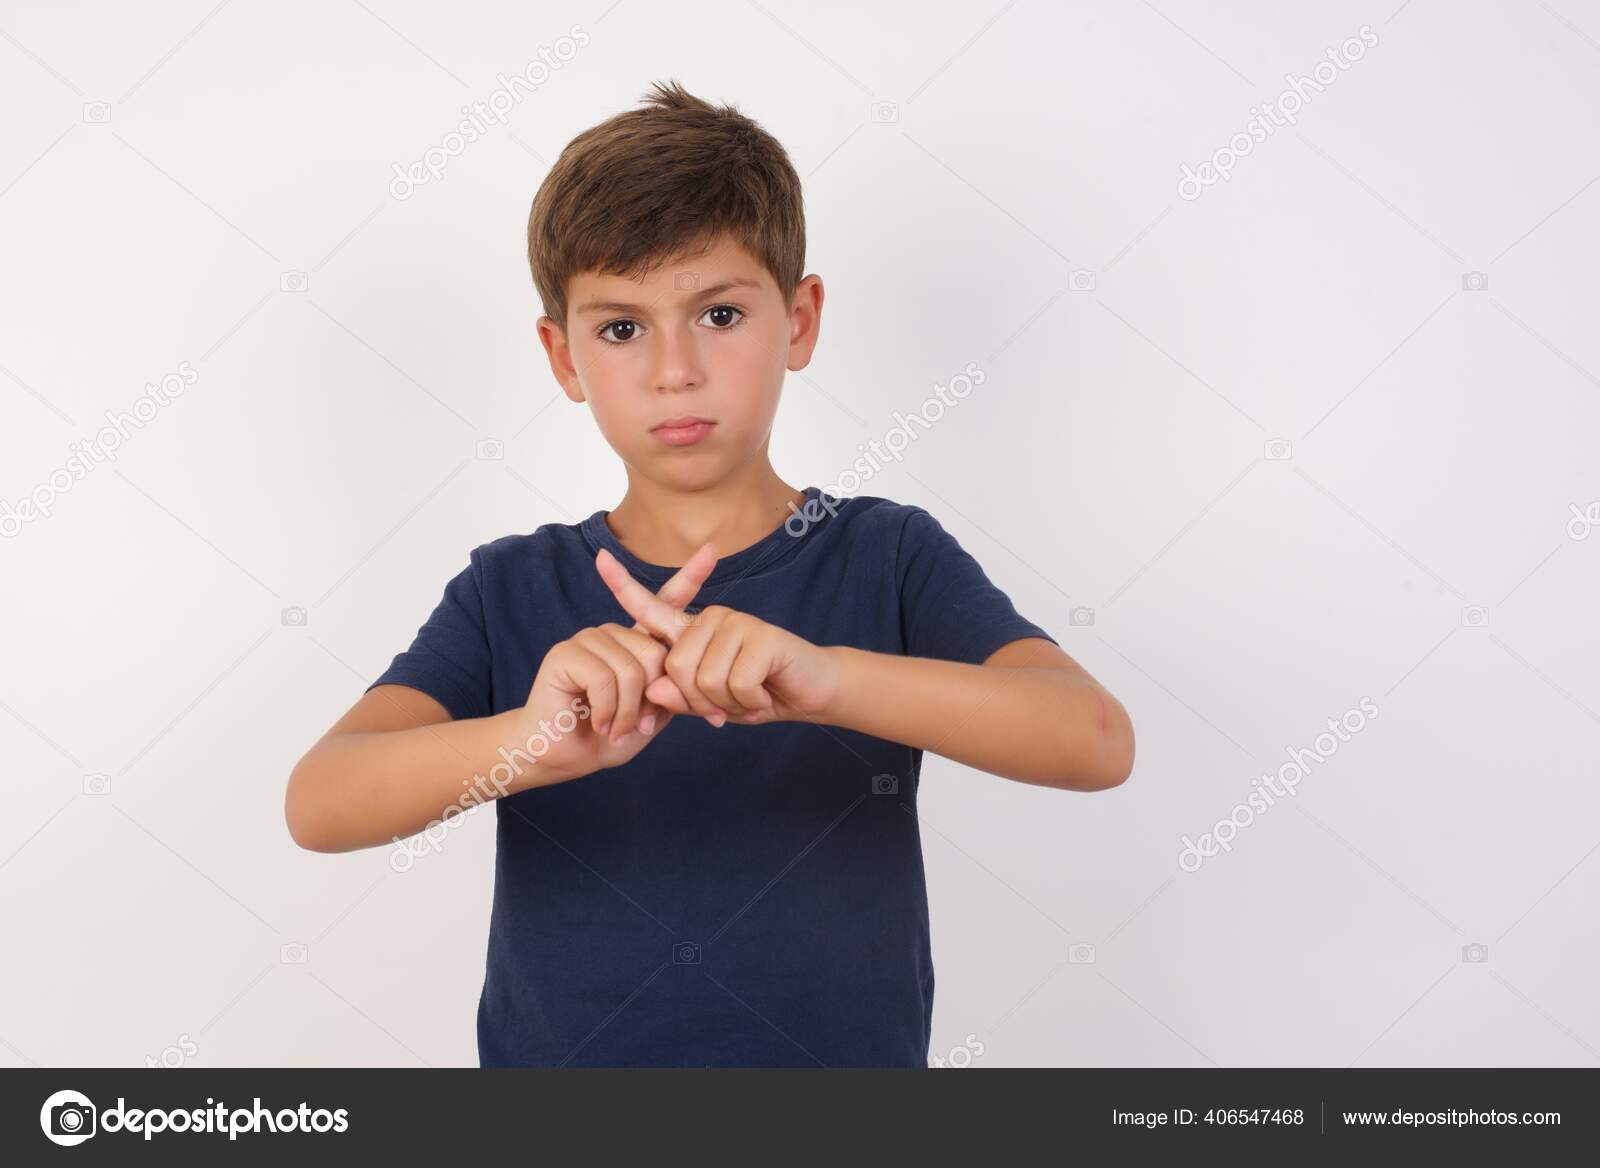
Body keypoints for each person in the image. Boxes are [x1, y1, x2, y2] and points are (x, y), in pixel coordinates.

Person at [285, 80, 1134, 1068]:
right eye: (620, 328)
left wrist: (830, 678)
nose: (674, 369)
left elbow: (1093, 737)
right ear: (562, 357)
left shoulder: (886, 553)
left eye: (719, 312)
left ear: (800, 319)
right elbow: (322, 801)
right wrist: (530, 743)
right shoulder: (507, 587)